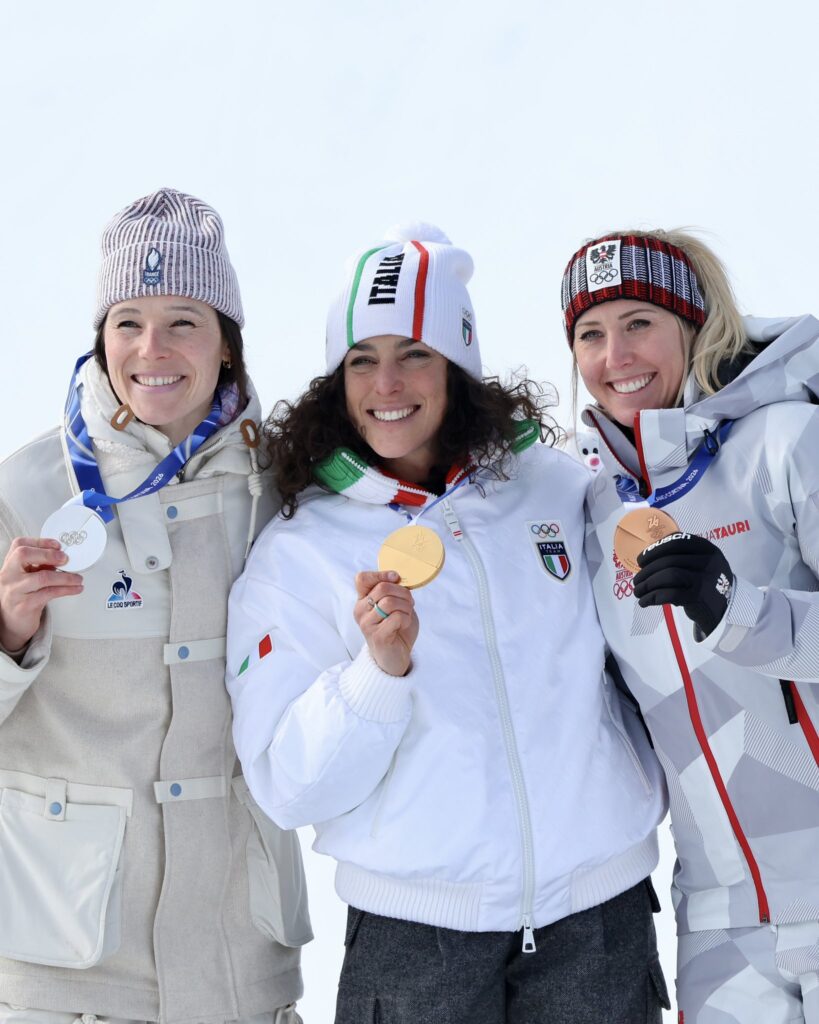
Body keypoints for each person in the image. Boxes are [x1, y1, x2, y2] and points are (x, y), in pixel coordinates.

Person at [226, 223, 669, 1023]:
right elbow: (287, 786)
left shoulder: (556, 489)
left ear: (458, 367)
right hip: (414, 940)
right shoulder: (299, 552)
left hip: (598, 917)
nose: (386, 382)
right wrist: (377, 672)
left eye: (414, 353)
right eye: (361, 359)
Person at [0, 189, 311, 1024]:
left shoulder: (285, 487)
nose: (152, 348)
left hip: (239, 954)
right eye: (127, 321)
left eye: (183, 320)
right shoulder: (25, 489)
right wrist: (8, 636)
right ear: (101, 339)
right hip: (70, 964)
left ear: (226, 343)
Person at [563, 230, 819, 1023]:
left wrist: (737, 607)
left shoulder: (784, 444)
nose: (616, 356)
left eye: (639, 321)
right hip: (720, 921)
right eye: (589, 334)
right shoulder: (589, 508)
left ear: (694, 324)